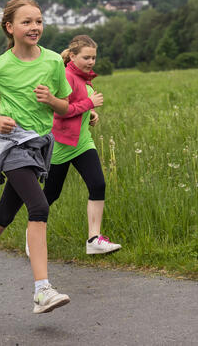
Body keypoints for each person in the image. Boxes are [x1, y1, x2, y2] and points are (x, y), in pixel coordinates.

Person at [0, 0, 73, 314]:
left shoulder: (51, 61)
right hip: (12, 145)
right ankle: (42, 290)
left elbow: (65, 105)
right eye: (27, 22)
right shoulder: (1, 66)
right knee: (38, 206)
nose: (35, 27)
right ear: (10, 27)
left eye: (38, 21)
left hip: (39, 146)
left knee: (6, 212)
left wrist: (52, 100)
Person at [39, 35, 122, 255]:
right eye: (86, 57)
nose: (91, 62)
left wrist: (91, 113)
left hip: (82, 141)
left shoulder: (83, 77)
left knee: (98, 185)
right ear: (73, 56)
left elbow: (78, 106)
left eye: (94, 57)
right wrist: (90, 103)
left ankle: (94, 240)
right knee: (50, 194)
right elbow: (60, 112)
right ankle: (33, 238)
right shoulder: (66, 76)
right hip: (62, 143)